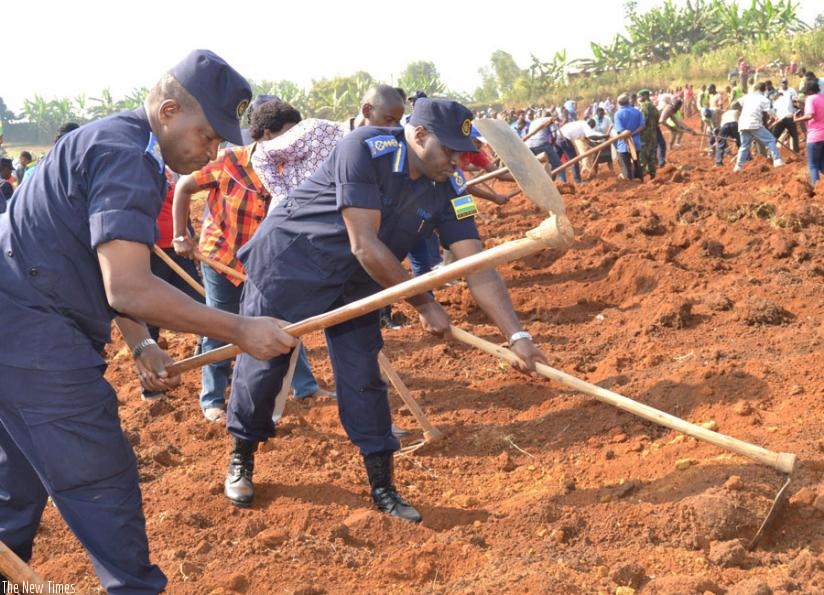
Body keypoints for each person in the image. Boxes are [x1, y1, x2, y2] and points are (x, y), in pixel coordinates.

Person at [0, 49, 295, 594]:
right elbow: (129, 286)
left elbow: (95, 263)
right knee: (99, 482)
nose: (212, 150)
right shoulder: (128, 156)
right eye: (208, 135)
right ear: (168, 111)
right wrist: (241, 330)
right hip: (35, 337)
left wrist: (140, 344)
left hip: (18, 326)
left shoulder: (111, 140)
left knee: (15, 484)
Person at [221, 98, 547, 523]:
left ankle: (382, 486)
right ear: (420, 135)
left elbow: (477, 267)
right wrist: (424, 303)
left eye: (461, 152)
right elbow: (364, 243)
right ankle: (242, 454)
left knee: (363, 377)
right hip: (291, 263)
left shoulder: (451, 186)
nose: (456, 161)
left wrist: (517, 337)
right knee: (265, 367)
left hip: (359, 282)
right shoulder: (363, 147)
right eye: (449, 150)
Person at [173, 98, 332, 424]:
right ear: (267, 134)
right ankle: (212, 398)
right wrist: (180, 235)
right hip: (222, 257)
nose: (294, 143)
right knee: (218, 326)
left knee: (283, 323)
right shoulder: (229, 161)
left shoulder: (291, 170)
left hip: (265, 262)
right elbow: (183, 188)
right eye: (288, 135)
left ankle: (304, 387)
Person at [733, 82, 785, 173]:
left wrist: (744, 111)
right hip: (754, 123)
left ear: (755, 89)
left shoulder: (747, 97)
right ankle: (777, 160)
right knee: (771, 140)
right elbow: (766, 114)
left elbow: (734, 105)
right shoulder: (764, 99)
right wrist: (772, 121)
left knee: (744, 145)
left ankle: (738, 167)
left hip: (743, 123)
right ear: (765, 90)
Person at [794, 78, 824, 185]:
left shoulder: (810, 99)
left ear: (809, 91)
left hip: (815, 136)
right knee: (822, 164)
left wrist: (796, 119)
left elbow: (810, 115)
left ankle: (817, 189)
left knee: (813, 165)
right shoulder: (822, 97)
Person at [613, 93, 644, 181]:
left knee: (626, 166)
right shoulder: (637, 112)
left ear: (618, 103)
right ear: (628, 101)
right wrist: (633, 133)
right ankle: (639, 180)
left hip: (624, 144)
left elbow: (620, 131)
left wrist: (628, 135)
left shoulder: (618, 114)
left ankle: (629, 181)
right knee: (636, 163)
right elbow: (642, 126)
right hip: (636, 143)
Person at [771, 78, 800, 153]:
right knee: (774, 136)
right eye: (783, 83)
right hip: (780, 118)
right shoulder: (777, 91)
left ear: (787, 83)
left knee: (794, 135)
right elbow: (772, 102)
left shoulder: (791, 91)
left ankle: (796, 152)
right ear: (780, 83)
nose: (784, 84)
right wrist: (774, 116)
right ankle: (770, 153)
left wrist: (795, 112)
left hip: (789, 116)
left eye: (785, 83)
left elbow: (796, 102)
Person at [637, 89, 660, 179]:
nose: (639, 98)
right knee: (652, 156)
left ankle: (641, 177)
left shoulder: (644, 107)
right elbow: (657, 119)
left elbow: (643, 122)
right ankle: (652, 176)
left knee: (643, 156)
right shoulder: (654, 107)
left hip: (644, 136)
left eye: (640, 96)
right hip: (653, 135)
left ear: (645, 96)